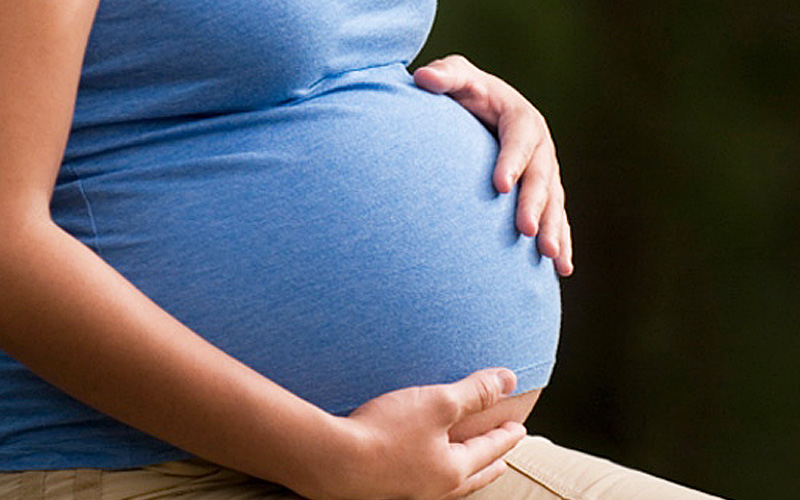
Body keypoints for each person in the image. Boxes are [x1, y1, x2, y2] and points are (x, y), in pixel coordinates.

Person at [0, 1, 723, 499]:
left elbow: (278, 72)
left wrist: (454, 102)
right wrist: (326, 457)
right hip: (136, 468)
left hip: (405, 470)